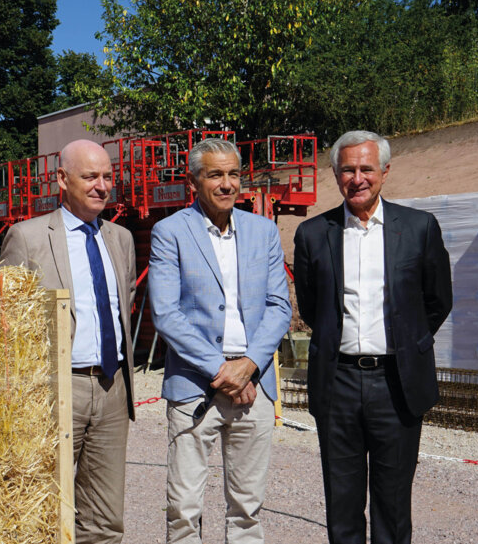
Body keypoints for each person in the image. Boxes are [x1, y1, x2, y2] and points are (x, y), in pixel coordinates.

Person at [293, 130, 452, 544]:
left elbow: (437, 300)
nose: (357, 178)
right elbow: (312, 308)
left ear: (384, 171)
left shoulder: (418, 227)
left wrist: (407, 343)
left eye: (366, 168)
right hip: (338, 383)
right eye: (347, 170)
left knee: (393, 505)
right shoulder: (313, 234)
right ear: (335, 175)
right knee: (342, 504)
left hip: (397, 382)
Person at [148, 138, 291, 543]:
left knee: (248, 509)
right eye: (215, 175)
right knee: (183, 509)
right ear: (194, 180)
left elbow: (279, 306)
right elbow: (166, 314)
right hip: (195, 386)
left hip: (254, 386)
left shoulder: (263, 231)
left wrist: (248, 366)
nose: (227, 184)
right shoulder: (170, 233)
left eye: (233, 174)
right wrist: (222, 370)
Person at [1, 139, 136, 543]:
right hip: (55, 390)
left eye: (108, 176)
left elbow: (125, 303)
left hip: (112, 389)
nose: (102, 186)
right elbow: (4, 323)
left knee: (105, 519)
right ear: (62, 179)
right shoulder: (27, 238)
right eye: (90, 176)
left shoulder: (121, 239)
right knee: (43, 509)